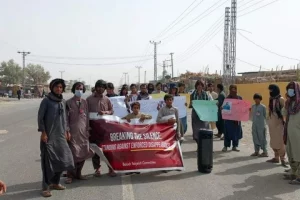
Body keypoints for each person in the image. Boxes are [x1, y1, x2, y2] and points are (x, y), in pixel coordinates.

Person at [38, 78, 74, 197]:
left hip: (61, 136)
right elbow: (40, 118)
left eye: (60, 87)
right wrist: (43, 132)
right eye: (56, 87)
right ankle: (45, 187)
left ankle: (55, 183)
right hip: (49, 137)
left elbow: (65, 118)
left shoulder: (62, 101)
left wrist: (67, 130)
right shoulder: (46, 101)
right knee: (48, 163)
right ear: (52, 88)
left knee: (62, 160)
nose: (59, 89)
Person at [65, 82, 94, 184]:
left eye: (81, 88)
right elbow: (65, 118)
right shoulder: (68, 103)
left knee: (83, 152)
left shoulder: (85, 102)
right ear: (74, 89)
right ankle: (70, 175)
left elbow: (86, 118)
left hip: (83, 133)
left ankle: (79, 173)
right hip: (72, 133)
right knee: (72, 154)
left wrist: (87, 129)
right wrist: (67, 130)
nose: (79, 90)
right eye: (77, 88)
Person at [87, 80, 116, 177]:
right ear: (95, 87)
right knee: (95, 149)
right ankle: (97, 169)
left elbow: (112, 111)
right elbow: (85, 115)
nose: (100, 89)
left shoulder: (107, 99)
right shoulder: (89, 99)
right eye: (98, 86)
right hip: (93, 128)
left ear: (105, 89)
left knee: (107, 149)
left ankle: (110, 168)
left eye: (102, 87)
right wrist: (87, 127)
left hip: (104, 129)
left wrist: (106, 112)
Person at [282, 81, 300, 184]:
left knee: (299, 154)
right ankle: (294, 172)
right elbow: (283, 113)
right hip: (289, 132)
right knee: (291, 153)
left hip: (298, 134)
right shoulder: (289, 103)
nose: (290, 91)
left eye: (292, 88)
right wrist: (286, 104)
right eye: (288, 89)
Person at [267, 84, 287, 166]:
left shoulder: (281, 99)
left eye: (271, 90)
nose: (270, 91)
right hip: (272, 122)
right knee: (273, 139)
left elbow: (285, 111)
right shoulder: (270, 99)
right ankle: (276, 157)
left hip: (279, 122)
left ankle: (283, 159)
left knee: (280, 140)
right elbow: (270, 110)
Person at [189, 80, 213, 145]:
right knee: (196, 131)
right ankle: (199, 145)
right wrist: (190, 104)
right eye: (198, 85)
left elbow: (208, 103)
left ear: (202, 86)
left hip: (203, 114)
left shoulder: (205, 94)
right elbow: (190, 105)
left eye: (201, 85)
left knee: (204, 130)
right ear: (196, 86)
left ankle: (204, 147)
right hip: (195, 114)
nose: (199, 86)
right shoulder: (192, 94)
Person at [222, 85, 243, 152]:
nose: (233, 91)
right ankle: (225, 146)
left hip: (236, 119)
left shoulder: (239, 98)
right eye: (232, 89)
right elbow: (224, 108)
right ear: (230, 90)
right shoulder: (227, 98)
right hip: (229, 119)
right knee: (227, 132)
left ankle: (235, 146)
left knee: (236, 132)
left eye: (235, 89)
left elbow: (242, 107)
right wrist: (222, 108)